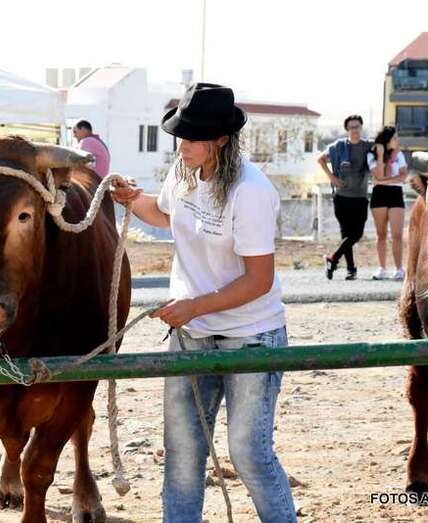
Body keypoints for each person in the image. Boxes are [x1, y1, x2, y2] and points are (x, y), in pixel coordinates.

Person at [111, 83, 296, 523]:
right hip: (192, 334)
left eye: (193, 137)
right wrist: (133, 200)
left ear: (221, 140)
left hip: (251, 335)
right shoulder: (184, 172)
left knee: (249, 453)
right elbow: (165, 214)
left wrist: (195, 306)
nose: (183, 144)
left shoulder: (249, 191)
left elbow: (259, 279)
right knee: (182, 452)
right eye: (181, 135)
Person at [317, 115, 372, 280]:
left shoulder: (368, 146)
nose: (355, 130)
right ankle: (350, 269)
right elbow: (320, 159)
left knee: (357, 233)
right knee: (346, 234)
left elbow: (385, 148)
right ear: (347, 130)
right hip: (342, 197)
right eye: (351, 127)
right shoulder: (339, 146)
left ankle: (332, 258)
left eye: (357, 127)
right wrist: (332, 178)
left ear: (361, 128)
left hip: (360, 196)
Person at [367, 126, 407, 280]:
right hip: (379, 196)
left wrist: (383, 181)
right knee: (381, 234)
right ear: (387, 139)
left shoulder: (400, 155)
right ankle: (382, 268)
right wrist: (381, 155)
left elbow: (403, 176)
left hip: (396, 194)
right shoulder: (371, 155)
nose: (397, 141)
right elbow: (378, 173)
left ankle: (399, 269)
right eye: (394, 138)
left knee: (397, 234)